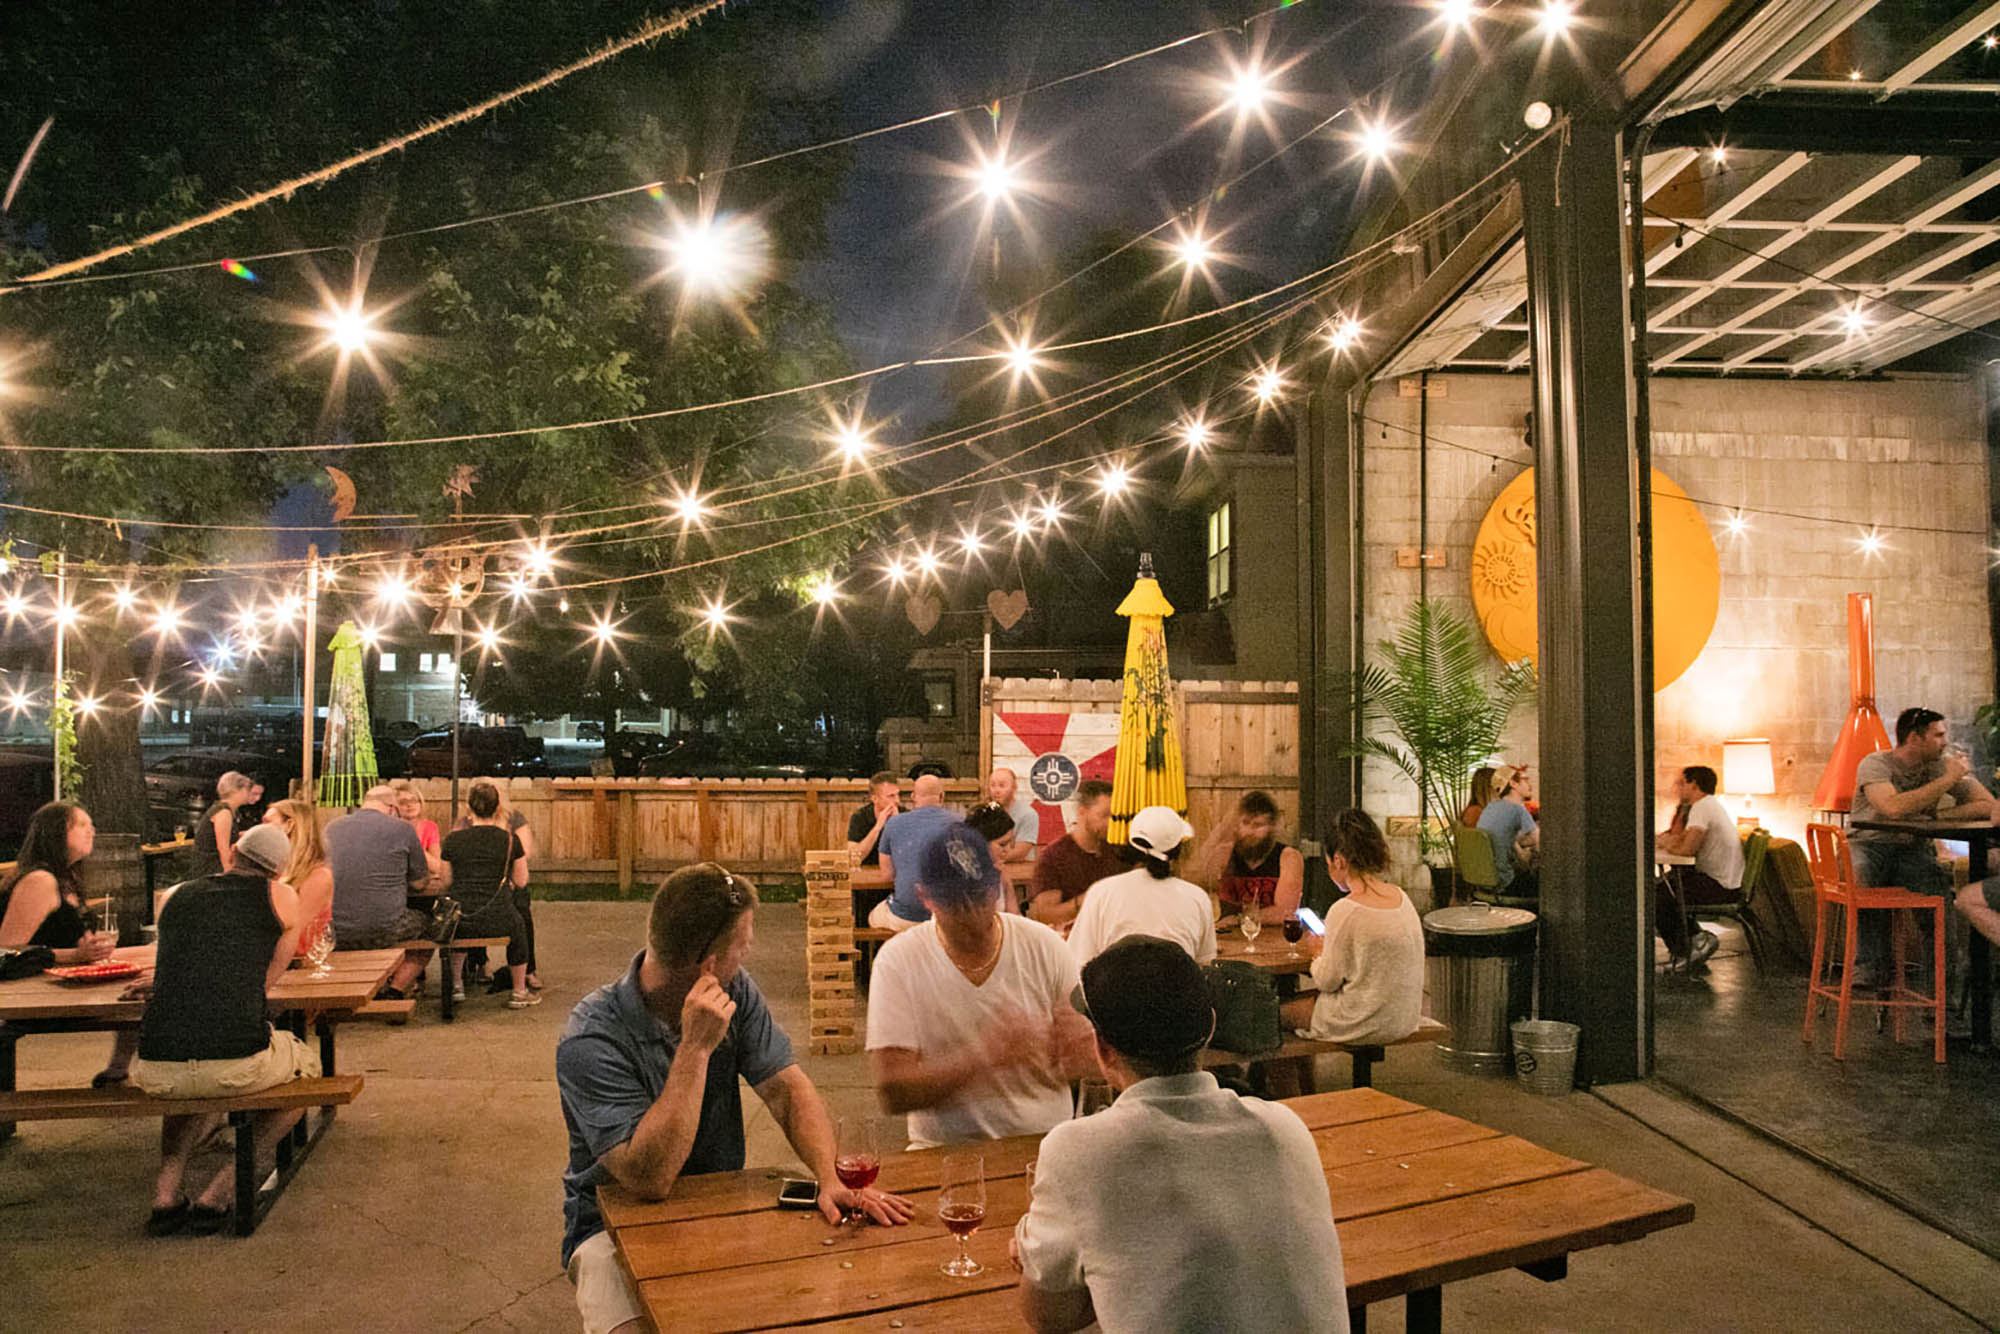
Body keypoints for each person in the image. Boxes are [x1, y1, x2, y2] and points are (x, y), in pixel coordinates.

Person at [556, 863, 914, 1334]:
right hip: (610, 1224)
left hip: (718, 1204)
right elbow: (650, 1178)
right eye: (743, 946)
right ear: (709, 964)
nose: (746, 958)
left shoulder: (735, 990)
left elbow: (786, 1090)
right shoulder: (591, 1039)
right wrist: (695, 1048)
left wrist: (829, 1178)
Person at [1012, 935, 1350, 1334]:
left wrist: (1033, 1248)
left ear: (1103, 1050)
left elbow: (1049, 1317)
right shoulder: (1285, 1127)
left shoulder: (1076, 1152)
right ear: (1209, 1029)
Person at [131, 824, 318, 1237]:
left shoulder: (176, 894)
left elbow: (179, 959)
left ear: (233, 851)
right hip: (236, 1057)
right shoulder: (281, 896)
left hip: (156, 1063)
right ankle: (221, 1191)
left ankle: (165, 1195)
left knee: (188, 1082)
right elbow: (266, 980)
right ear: (280, 869)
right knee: (306, 1078)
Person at [867, 823, 1095, 1148]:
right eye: (956, 903)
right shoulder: (898, 961)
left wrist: (1081, 1052)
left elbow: (1085, 1059)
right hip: (943, 1150)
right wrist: (986, 1054)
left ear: (998, 884)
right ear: (924, 896)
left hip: (1043, 1143)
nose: (973, 914)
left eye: (981, 895)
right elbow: (893, 1092)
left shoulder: (1044, 945)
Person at [1850, 707, 1996, 987]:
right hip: (1870, 843)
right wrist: (1948, 780)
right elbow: (1892, 808)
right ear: (1915, 738)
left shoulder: (1939, 766)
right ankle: (1868, 967)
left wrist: (1938, 816)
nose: (1945, 741)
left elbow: (1988, 805)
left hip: (1912, 848)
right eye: (1939, 735)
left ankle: (1940, 996)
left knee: (1940, 907)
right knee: (1864, 876)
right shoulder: (1876, 764)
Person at [0, 801, 132, 1086]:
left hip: (62, 985)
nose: (92, 831)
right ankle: (119, 1072)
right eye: (82, 824)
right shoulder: (40, 881)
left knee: (146, 980)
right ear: (57, 833)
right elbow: (5, 951)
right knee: (144, 998)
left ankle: (118, 1071)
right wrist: (76, 955)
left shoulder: (66, 879)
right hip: (30, 994)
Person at [1281, 810, 1424, 1046]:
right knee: (1300, 1002)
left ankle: (1289, 1084)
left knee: (1274, 1013)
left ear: (1338, 860)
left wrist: (1317, 951)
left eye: (1329, 863)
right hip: (1402, 1018)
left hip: (1360, 1020)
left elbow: (1327, 981)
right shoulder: (1401, 897)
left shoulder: (1345, 910)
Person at [324, 784, 448, 997]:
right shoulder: (402, 829)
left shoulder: (332, 827)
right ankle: (396, 988)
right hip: (385, 928)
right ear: (392, 807)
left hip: (335, 928)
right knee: (430, 929)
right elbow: (419, 883)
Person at [1065, 805, 1215, 966]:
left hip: (1112, 990)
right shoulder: (1197, 897)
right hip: (1178, 990)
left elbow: (1078, 962)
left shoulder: (1101, 893)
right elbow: (1205, 964)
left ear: (1130, 842)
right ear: (1177, 850)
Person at [442, 781, 537, 1009]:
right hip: (499, 916)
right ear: (497, 809)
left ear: (469, 808)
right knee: (519, 929)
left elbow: (446, 881)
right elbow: (522, 881)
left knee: (454, 928)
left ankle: (456, 985)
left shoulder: (453, 840)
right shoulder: (509, 840)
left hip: (463, 917)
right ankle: (519, 991)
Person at [1653, 766, 1744, 969]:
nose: (1678, 788)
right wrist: (1671, 841)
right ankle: (1693, 943)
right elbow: (1680, 838)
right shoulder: (1707, 806)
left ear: (1693, 784)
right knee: (1662, 888)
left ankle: (1692, 946)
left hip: (1719, 886)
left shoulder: (1702, 807)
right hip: (1720, 881)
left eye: (1682, 783)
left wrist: (1668, 843)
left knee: (1658, 896)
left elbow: (1686, 849)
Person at [1192, 790, 1303, 926]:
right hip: (1228, 938)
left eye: (1258, 825)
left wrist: (1239, 919)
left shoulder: (1288, 857)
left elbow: (1284, 912)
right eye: (1245, 823)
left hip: (1273, 940)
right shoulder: (1225, 852)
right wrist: (1222, 829)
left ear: (1271, 827)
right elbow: (1195, 881)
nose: (1250, 831)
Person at [1027, 779, 1125, 933]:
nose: (1110, 823)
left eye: (1113, 816)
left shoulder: (1117, 850)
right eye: (1104, 815)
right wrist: (1089, 899)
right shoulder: (1054, 856)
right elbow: (1045, 915)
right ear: (1082, 812)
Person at [870, 773, 957, 933]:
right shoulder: (960, 823)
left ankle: (882, 956)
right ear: (942, 797)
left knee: (872, 917)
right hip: (948, 918)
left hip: (906, 918)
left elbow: (887, 875)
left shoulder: (894, 823)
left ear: (913, 797)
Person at [263, 799, 334, 960]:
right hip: (271, 958)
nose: (260, 829)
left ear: (290, 825)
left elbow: (296, 934)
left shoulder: (318, 876)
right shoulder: (275, 870)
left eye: (267, 822)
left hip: (296, 963)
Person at [845, 771, 902, 927]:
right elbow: (854, 856)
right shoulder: (860, 817)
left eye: (898, 795)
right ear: (874, 798)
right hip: (865, 887)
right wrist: (878, 827)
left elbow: (910, 854)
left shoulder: (904, 815)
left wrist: (897, 826)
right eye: (891, 796)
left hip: (895, 884)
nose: (897, 801)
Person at [1476, 766, 1540, 899]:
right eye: (1525, 780)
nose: (1530, 785)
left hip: (1486, 882)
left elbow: (1506, 838)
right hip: (1508, 883)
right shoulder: (1518, 809)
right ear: (1513, 783)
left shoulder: (1490, 807)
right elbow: (1539, 841)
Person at [189, 770, 258, 878]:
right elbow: (223, 848)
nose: (249, 793)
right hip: (210, 868)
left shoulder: (229, 810)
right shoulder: (223, 812)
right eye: (246, 789)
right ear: (236, 790)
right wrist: (229, 874)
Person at [987, 766, 1039, 862]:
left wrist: (987, 854)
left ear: (1014, 788)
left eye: (1002, 786)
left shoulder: (1028, 814)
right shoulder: (986, 813)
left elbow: (1019, 853)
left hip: (1020, 872)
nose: (996, 790)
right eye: (992, 785)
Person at [391, 779, 441, 856]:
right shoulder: (391, 828)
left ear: (420, 803)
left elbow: (437, 865)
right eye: (403, 802)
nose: (409, 805)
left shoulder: (430, 827)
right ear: (395, 807)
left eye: (413, 800)